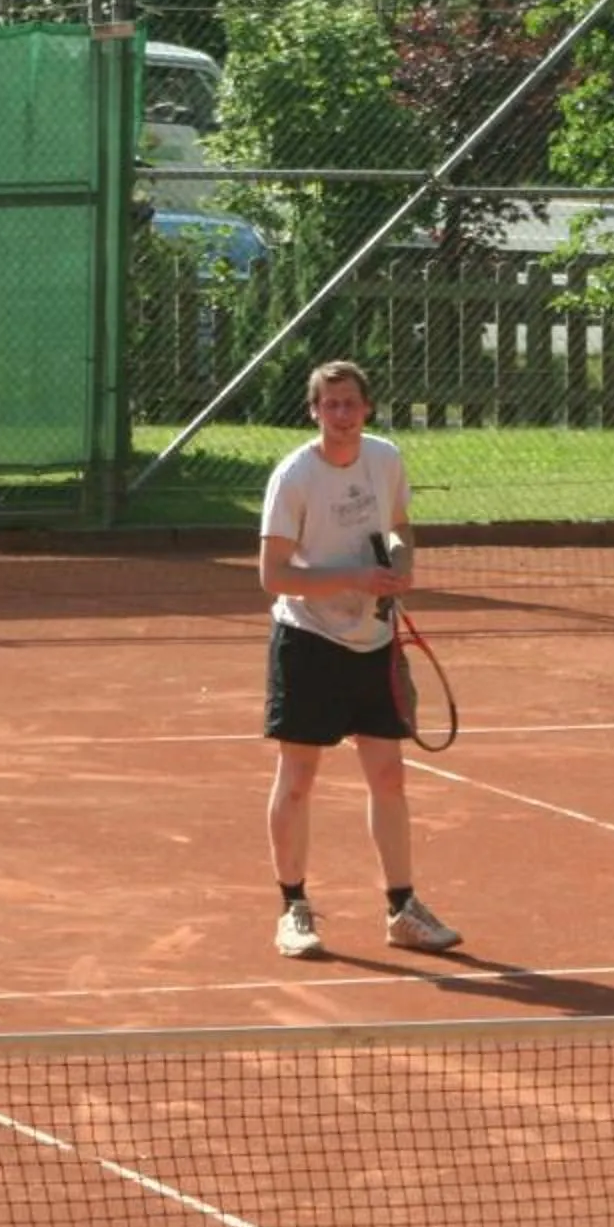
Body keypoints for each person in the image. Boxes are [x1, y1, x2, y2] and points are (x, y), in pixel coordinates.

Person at [256, 359, 463, 961]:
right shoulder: (294, 477)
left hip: (374, 639)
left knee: (389, 777)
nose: (342, 416)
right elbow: (272, 576)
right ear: (314, 412)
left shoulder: (385, 459)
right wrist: (350, 576)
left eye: (351, 404)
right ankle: (293, 909)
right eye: (331, 405)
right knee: (298, 781)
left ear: (366, 408)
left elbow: (398, 528)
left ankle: (402, 910)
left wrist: (399, 565)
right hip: (308, 642)